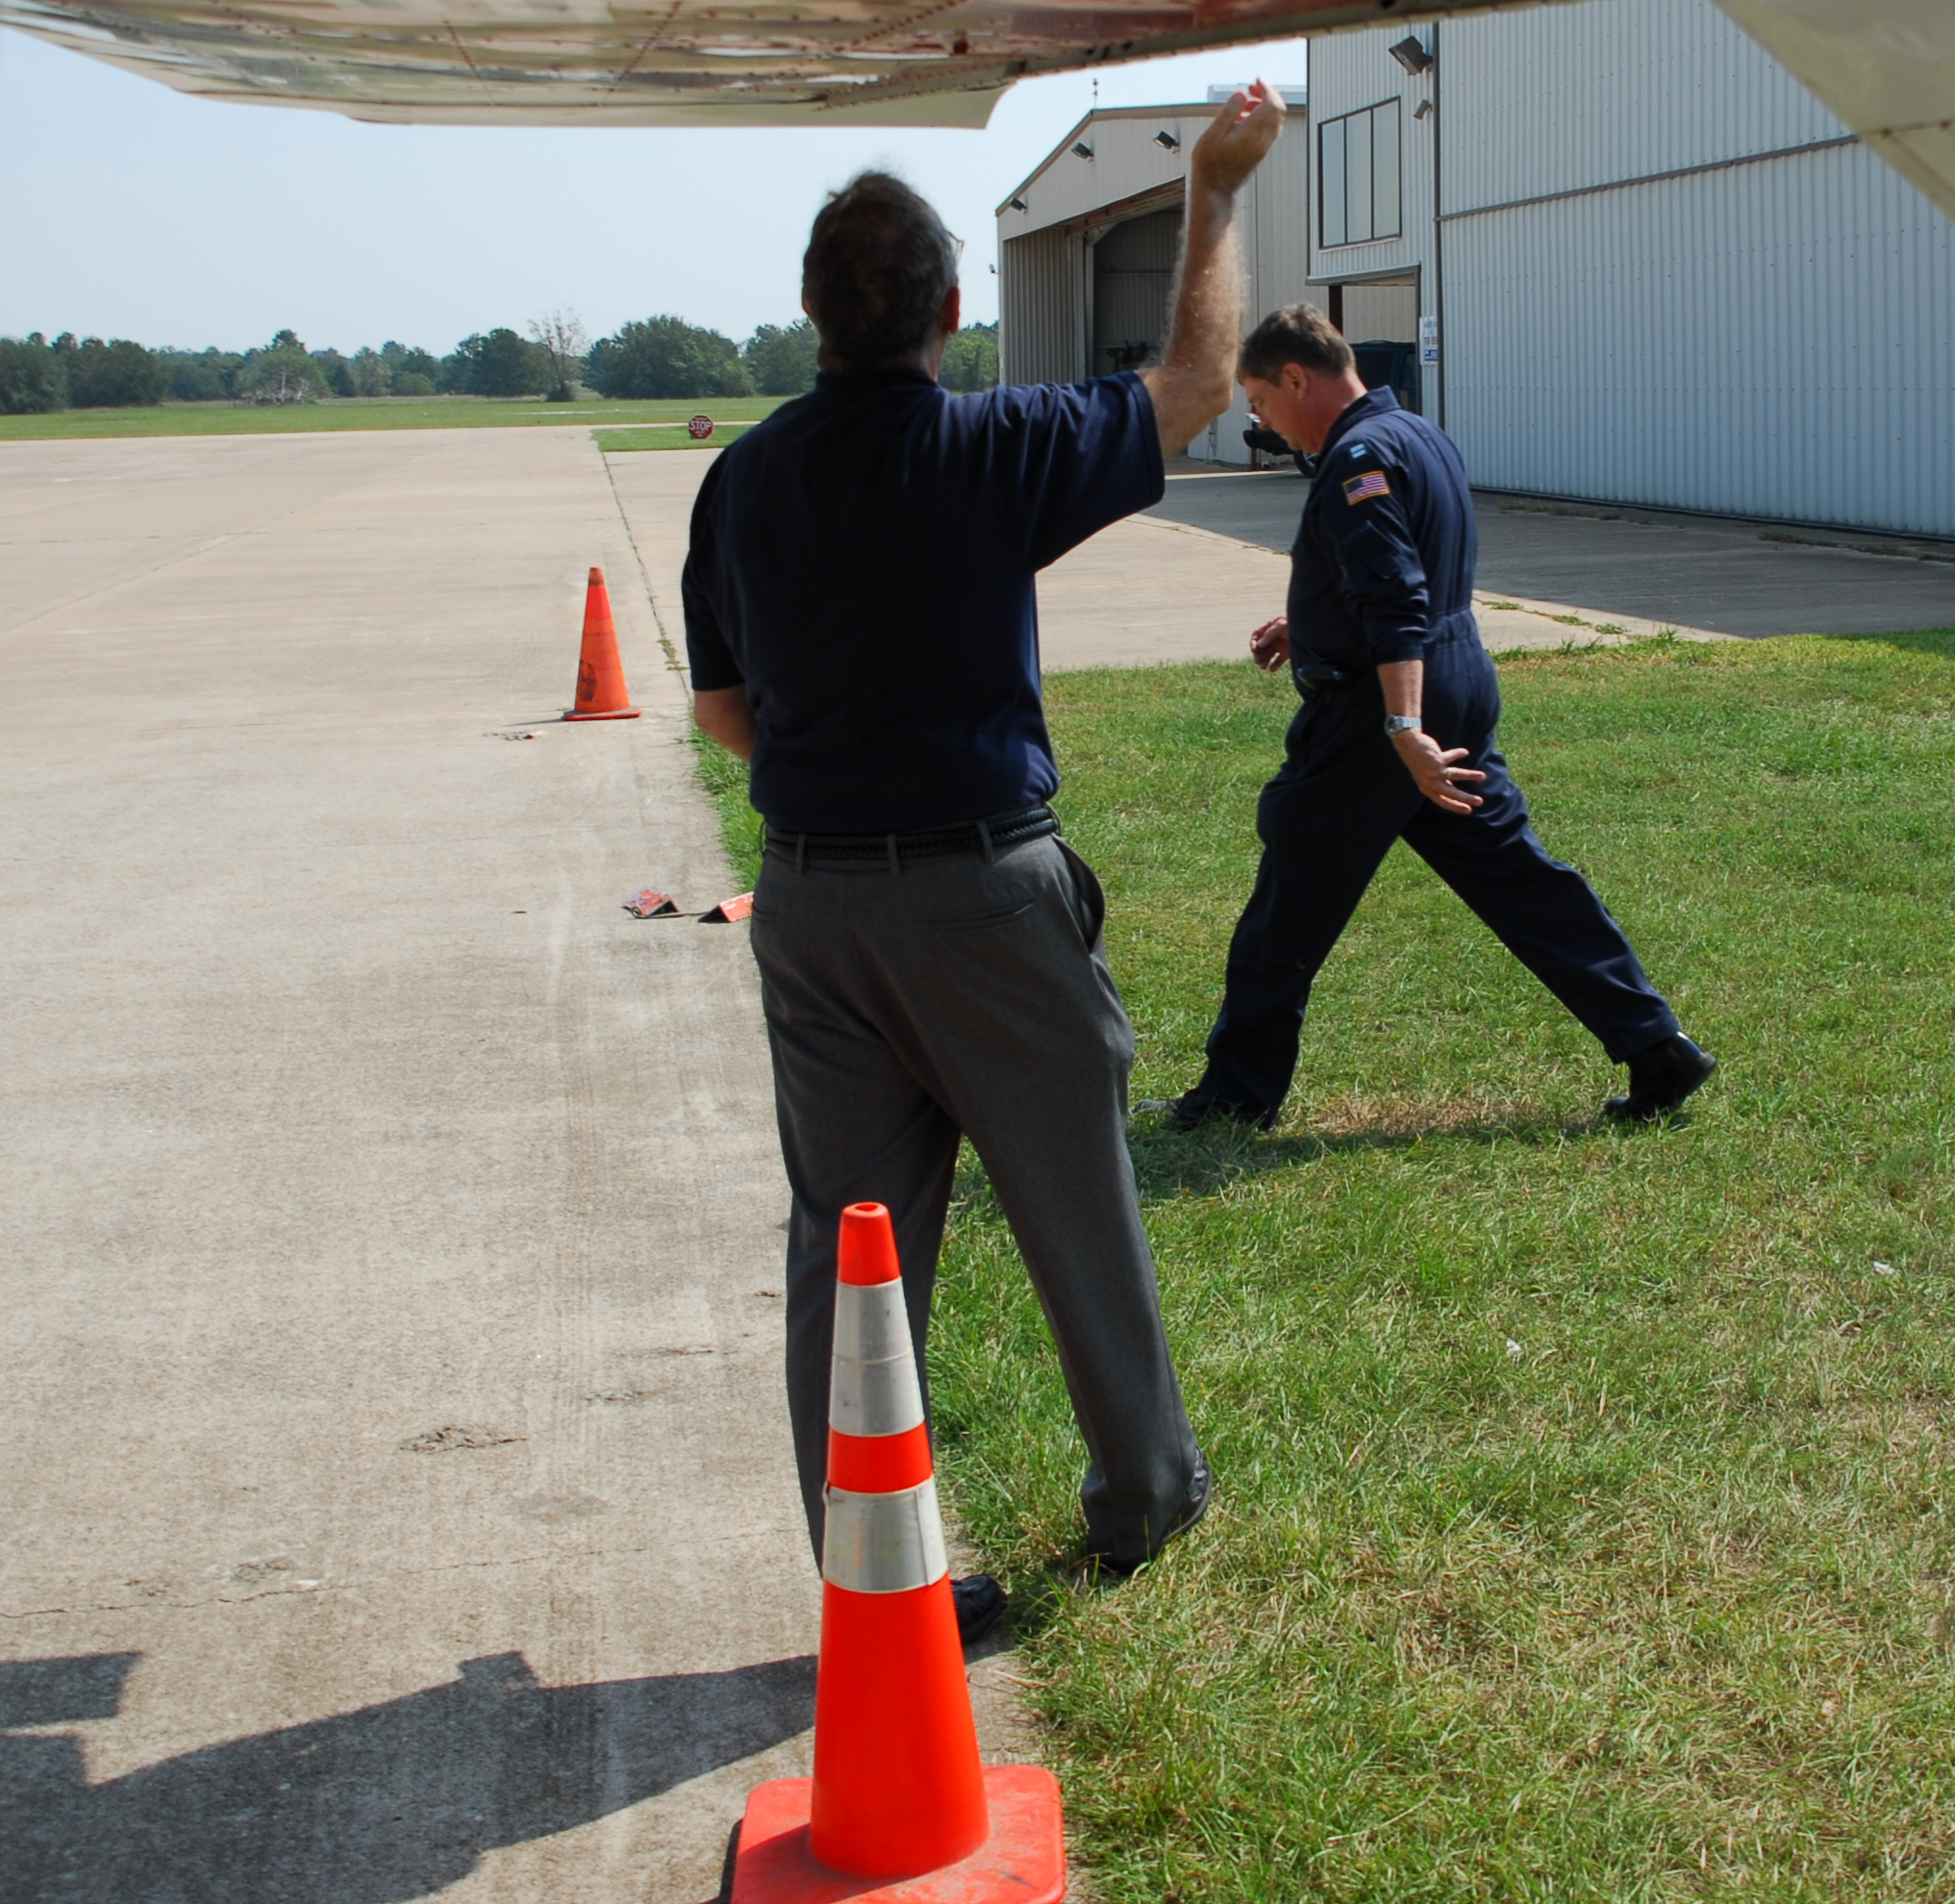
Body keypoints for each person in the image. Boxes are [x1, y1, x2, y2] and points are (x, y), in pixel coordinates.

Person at [681, 88, 1282, 1593]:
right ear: (953, 312)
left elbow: (722, 710)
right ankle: (1143, 1499)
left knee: (849, 1249)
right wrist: (1212, 190)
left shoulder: (742, 478)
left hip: (812, 907)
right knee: (1078, 1207)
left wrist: (835, 783)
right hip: (984, 895)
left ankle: (869, 1561)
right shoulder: (995, 443)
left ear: (813, 315)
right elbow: (1199, 379)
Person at [1163, 305, 1715, 1134]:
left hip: (1380, 714)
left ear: (1296, 378)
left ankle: (1235, 1096)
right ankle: (1658, 1047)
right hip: (1452, 673)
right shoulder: (1419, 435)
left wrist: (1401, 729)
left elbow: (1395, 596)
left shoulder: (1358, 459)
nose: (1262, 423)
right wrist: (1311, 624)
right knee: (1519, 879)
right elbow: (1404, 573)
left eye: (1262, 401)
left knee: (1291, 893)